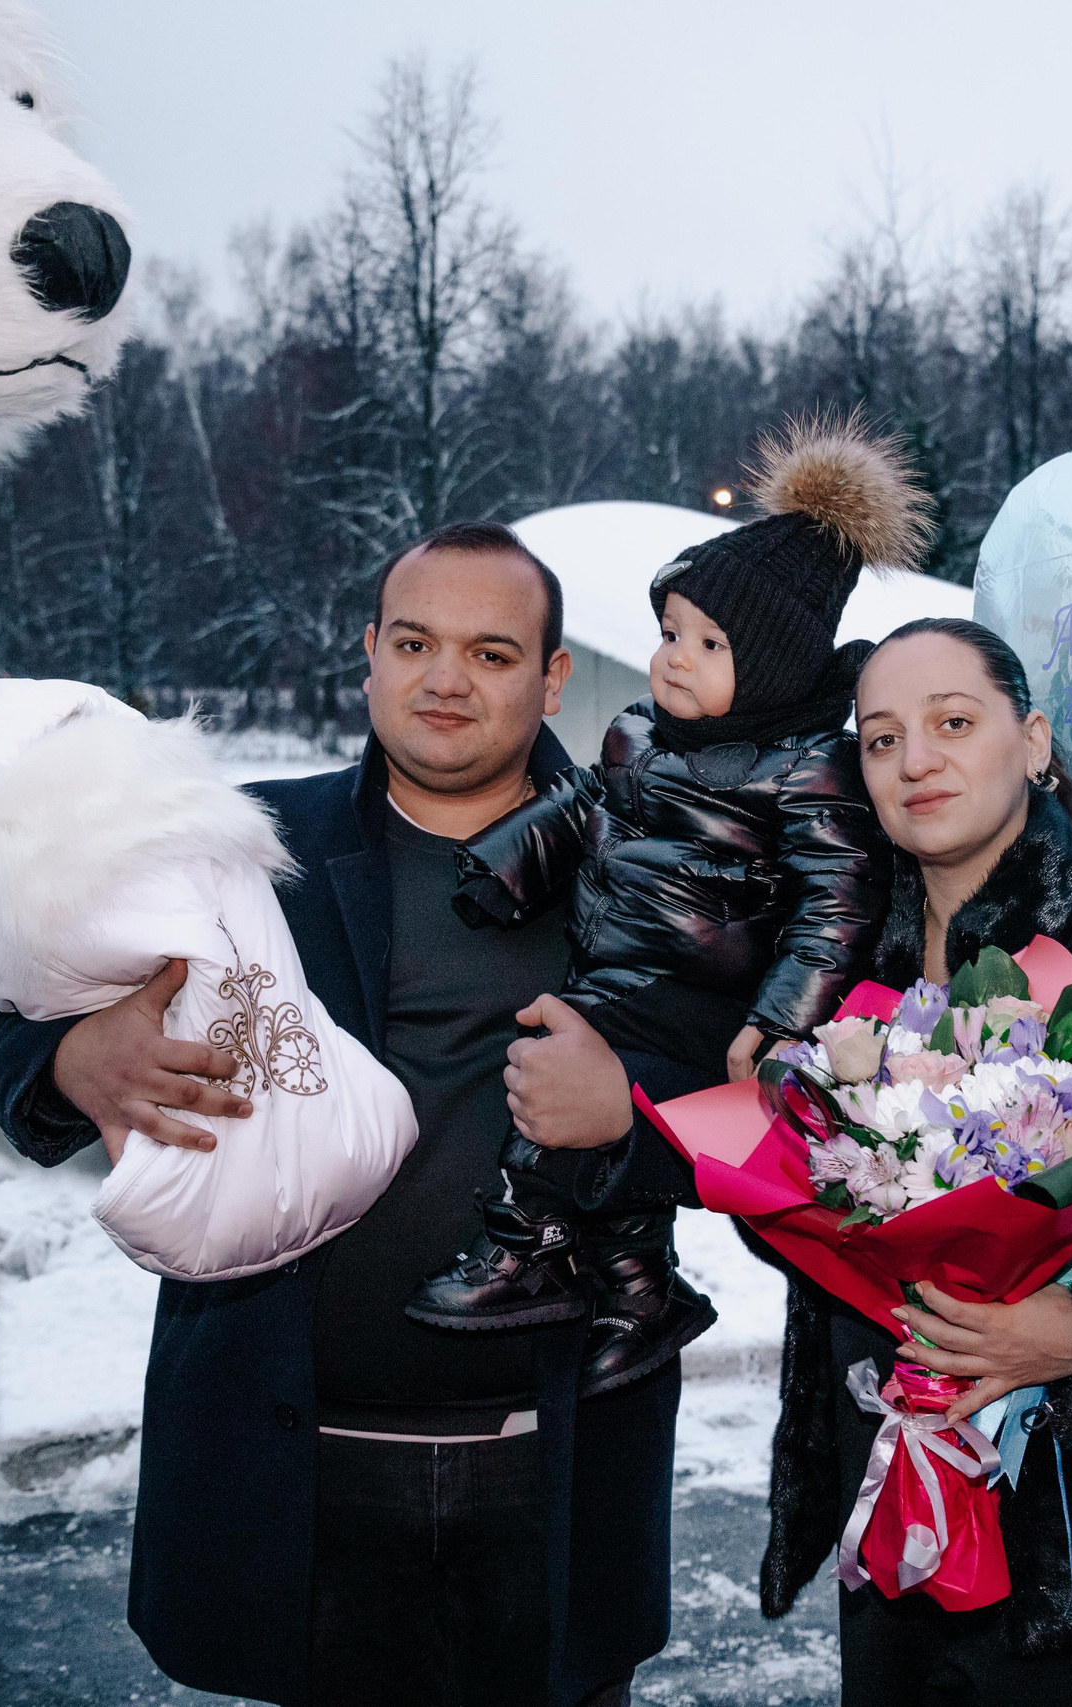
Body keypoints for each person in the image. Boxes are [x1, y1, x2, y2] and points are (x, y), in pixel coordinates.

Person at [0, 523, 686, 1707]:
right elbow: (16, 1020)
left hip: (553, 1464)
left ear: (554, 677)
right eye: (413, 641)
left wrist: (634, 1109)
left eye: (492, 652)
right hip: (289, 1464)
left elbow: (763, 1090)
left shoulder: (650, 867)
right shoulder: (240, 846)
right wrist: (74, 1056)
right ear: (368, 653)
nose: (444, 678)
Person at [762, 617, 1072, 1705]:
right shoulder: (836, 957)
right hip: (893, 1494)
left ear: (1034, 739)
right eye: (881, 738)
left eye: (953, 722)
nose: (915, 761)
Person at [406, 418, 914, 1396]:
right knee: (593, 1109)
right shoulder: (640, 734)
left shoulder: (809, 772)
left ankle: (523, 1244)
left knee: (560, 1092)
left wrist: (781, 1021)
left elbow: (839, 905)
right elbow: (581, 806)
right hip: (619, 968)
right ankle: (641, 1291)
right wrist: (505, 863)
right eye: (670, 631)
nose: (674, 657)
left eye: (709, 642)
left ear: (767, 666)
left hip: (699, 1002)